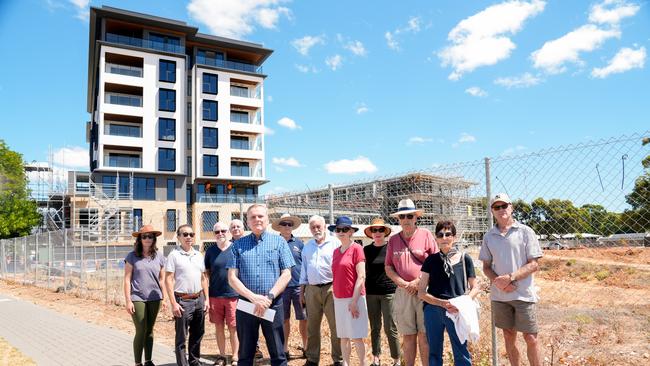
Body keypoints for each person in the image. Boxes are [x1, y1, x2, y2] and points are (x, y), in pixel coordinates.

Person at [479, 193, 543, 366]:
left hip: (523, 294)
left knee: (531, 337)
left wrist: (510, 278)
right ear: (492, 211)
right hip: (500, 296)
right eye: (496, 207)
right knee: (508, 335)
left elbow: (534, 264)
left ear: (511, 207)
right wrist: (498, 282)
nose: (501, 210)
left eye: (504, 206)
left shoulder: (525, 232)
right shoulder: (489, 236)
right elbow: (486, 267)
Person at [227, 204, 295, 366]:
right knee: (245, 355)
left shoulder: (279, 242)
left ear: (267, 219)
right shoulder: (237, 245)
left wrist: (269, 297)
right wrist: (254, 298)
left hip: (272, 304)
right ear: (248, 221)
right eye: (253, 217)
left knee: (278, 354)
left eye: (260, 216)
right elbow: (232, 278)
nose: (257, 219)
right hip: (246, 305)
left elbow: (286, 274)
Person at [385, 198, 438, 366]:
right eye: (402, 217)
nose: (406, 220)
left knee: (424, 335)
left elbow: (436, 262)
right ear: (398, 219)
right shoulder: (393, 240)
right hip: (403, 292)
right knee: (408, 336)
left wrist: (418, 281)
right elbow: (388, 267)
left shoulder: (426, 235)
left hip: (424, 290)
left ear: (416, 217)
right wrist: (403, 283)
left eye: (409, 216)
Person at [419, 220, 480, 366]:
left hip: (457, 310)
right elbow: (421, 292)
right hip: (433, 309)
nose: (444, 238)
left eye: (448, 234)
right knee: (434, 352)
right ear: (436, 238)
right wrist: (441, 303)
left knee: (461, 351)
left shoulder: (465, 259)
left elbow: (475, 287)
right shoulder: (431, 260)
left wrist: (461, 304)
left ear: (455, 237)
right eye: (440, 234)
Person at [299, 215, 343, 366]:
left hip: (331, 288)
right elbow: (304, 271)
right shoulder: (307, 246)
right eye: (313, 227)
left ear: (325, 227)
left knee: (335, 325)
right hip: (311, 289)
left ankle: (338, 359)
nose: (316, 229)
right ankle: (312, 359)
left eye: (319, 226)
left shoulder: (335, 243)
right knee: (312, 325)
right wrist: (302, 292)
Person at [165, 224, 210, 366]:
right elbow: (168, 279)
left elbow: (203, 278)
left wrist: (207, 300)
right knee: (181, 337)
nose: (189, 237)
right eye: (185, 234)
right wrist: (173, 303)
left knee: (198, 334)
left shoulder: (198, 254)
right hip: (182, 301)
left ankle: (194, 361)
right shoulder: (174, 255)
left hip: (199, 299)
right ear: (178, 237)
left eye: (191, 234)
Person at [123, 225, 167, 366]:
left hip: (155, 298)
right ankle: (137, 363)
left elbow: (162, 279)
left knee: (149, 330)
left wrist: (164, 298)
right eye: (144, 236)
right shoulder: (132, 256)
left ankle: (148, 360)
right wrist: (128, 301)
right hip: (137, 297)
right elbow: (127, 279)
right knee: (141, 330)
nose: (147, 239)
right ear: (139, 239)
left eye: (150, 236)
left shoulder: (159, 256)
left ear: (154, 239)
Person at [330, 216, 368, 366]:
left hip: (355, 298)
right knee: (344, 336)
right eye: (338, 229)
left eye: (345, 229)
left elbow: (361, 276)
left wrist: (353, 301)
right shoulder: (335, 251)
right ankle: (345, 363)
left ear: (351, 231)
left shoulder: (357, 248)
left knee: (357, 336)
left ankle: (363, 363)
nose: (341, 232)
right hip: (339, 299)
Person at [363, 218, 400, 366]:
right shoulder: (366, 250)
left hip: (389, 292)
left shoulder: (390, 248)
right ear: (371, 233)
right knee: (375, 327)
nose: (377, 233)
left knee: (390, 326)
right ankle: (376, 357)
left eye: (380, 230)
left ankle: (396, 359)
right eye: (374, 230)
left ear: (385, 232)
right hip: (371, 293)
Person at [271, 213, 307, 359]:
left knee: (304, 318)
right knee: (284, 319)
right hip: (282, 288)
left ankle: (306, 347)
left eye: (289, 224)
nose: (287, 227)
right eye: (284, 224)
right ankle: (285, 349)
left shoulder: (299, 244)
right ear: (279, 226)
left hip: (299, 286)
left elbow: (305, 264)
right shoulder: (274, 243)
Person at [205, 222, 239, 366]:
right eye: (217, 232)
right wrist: (206, 296)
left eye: (223, 231)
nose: (220, 234)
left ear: (228, 232)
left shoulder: (236, 248)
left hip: (233, 295)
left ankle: (235, 357)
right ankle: (222, 356)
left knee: (233, 328)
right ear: (214, 234)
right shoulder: (210, 251)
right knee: (218, 327)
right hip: (215, 296)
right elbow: (206, 273)